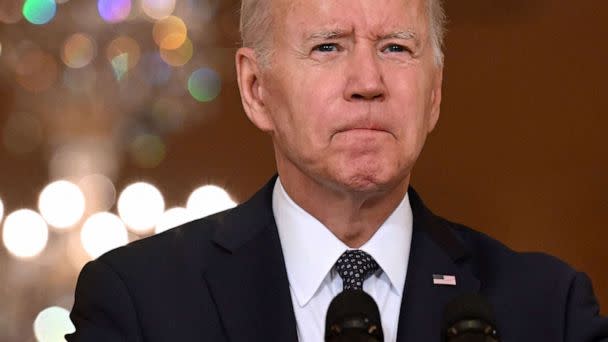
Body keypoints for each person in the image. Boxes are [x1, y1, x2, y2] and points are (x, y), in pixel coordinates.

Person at [66, 0, 608, 341]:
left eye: (396, 47)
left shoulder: (547, 309)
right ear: (256, 90)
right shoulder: (139, 301)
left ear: (435, 94)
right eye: (328, 47)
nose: (367, 81)